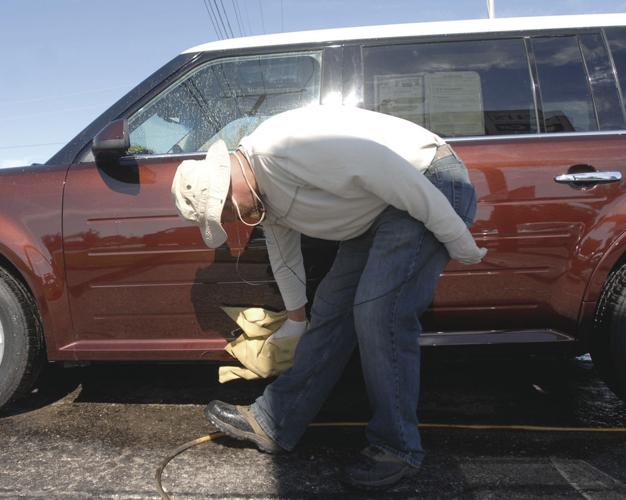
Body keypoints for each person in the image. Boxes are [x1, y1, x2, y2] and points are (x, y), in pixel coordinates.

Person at [171, 105, 486, 491]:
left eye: (224, 213)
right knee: (332, 307)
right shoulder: (258, 196)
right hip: (379, 206)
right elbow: (285, 258)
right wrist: (296, 321)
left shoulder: (283, 149)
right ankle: (273, 422)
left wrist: (457, 237)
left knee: (379, 312)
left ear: (225, 184)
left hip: (427, 180)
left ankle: (398, 447)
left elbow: (391, 172)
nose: (232, 222)